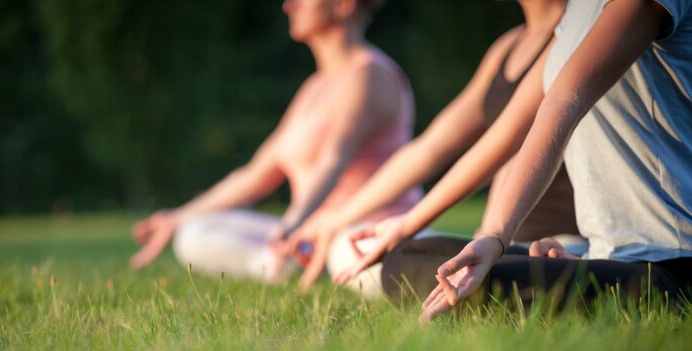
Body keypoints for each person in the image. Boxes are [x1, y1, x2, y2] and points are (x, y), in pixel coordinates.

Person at [410, 0, 692, 322]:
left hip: (671, 261)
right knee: (410, 257)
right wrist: (403, 227)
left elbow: (562, 101)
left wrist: (496, 237)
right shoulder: (578, 11)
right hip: (600, 255)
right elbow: (505, 131)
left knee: (484, 284)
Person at [287, 0, 582, 297]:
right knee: (364, 248)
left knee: (460, 277)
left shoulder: (574, 35)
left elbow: (501, 141)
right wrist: (336, 221)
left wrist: (410, 224)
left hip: (556, 243)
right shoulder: (509, 46)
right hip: (500, 241)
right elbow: (430, 148)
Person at [129, 0, 421, 282]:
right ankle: (285, 264)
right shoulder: (313, 88)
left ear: (344, 4)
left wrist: (290, 228)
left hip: (363, 229)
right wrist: (176, 218)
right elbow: (256, 174)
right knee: (193, 233)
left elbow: (332, 162)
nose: (289, 5)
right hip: (306, 230)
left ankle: (293, 262)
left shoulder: (369, 76)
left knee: (347, 254)